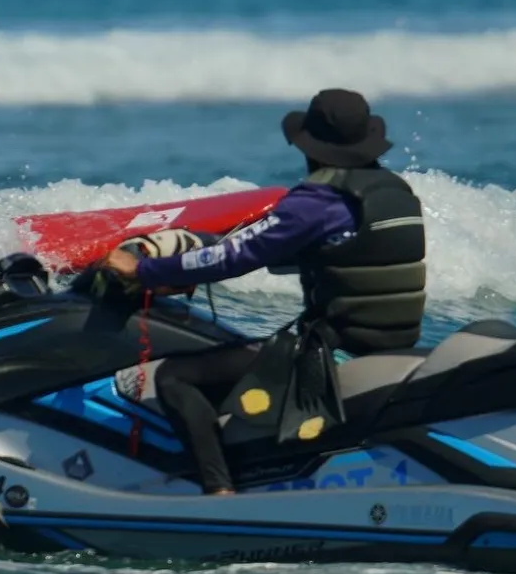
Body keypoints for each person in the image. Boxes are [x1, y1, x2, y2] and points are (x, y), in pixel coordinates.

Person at [100, 89, 426, 496]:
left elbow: (234, 258)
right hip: (396, 343)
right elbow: (328, 254)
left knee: (174, 377)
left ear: (311, 148)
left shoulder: (317, 201)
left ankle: (218, 492)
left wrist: (144, 268)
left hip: (334, 351)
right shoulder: (395, 192)